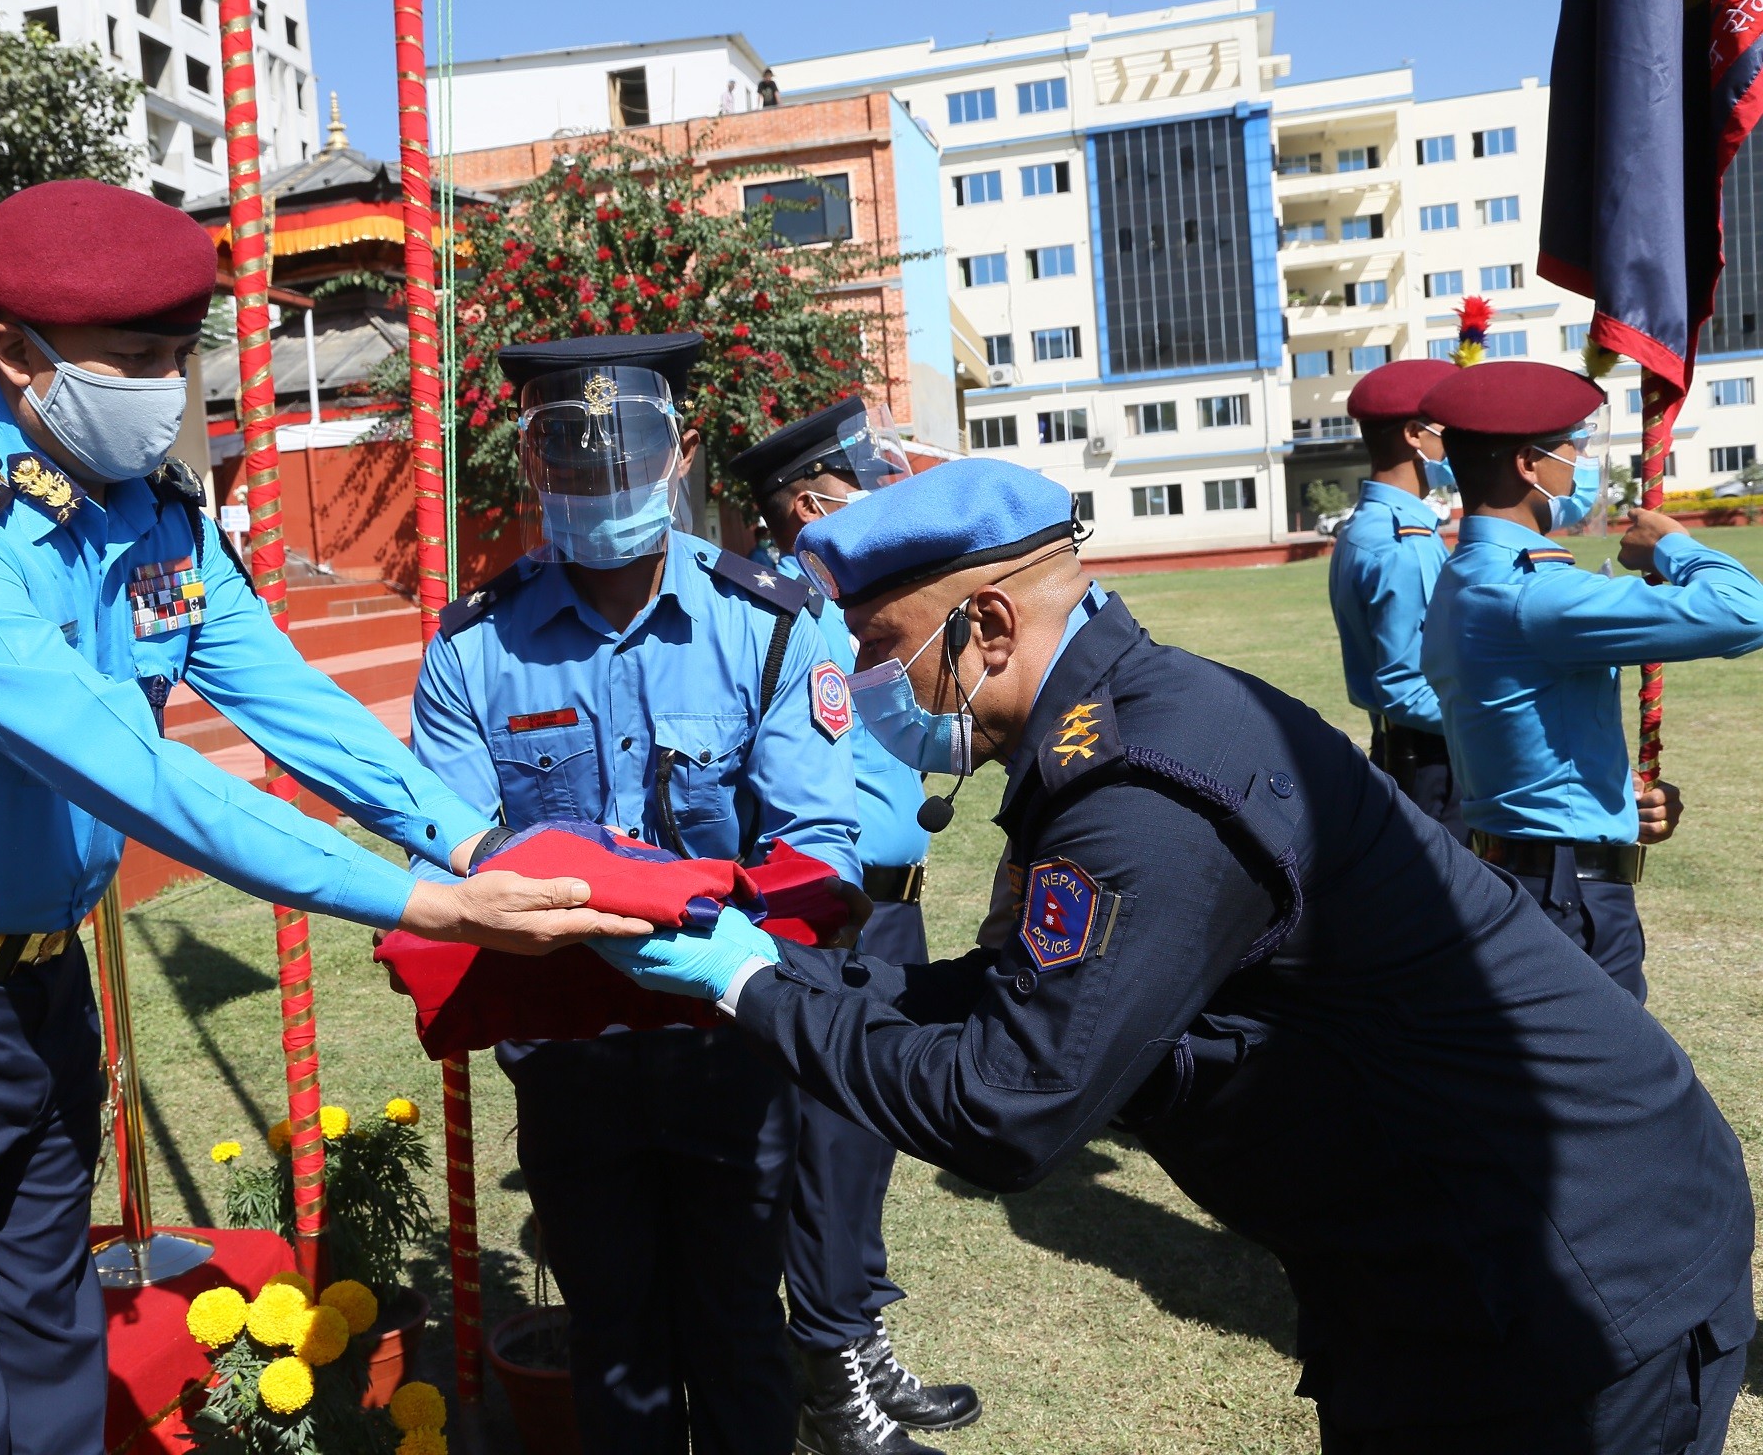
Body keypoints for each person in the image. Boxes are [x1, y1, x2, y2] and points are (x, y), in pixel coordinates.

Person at [591, 455, 1756, 1454]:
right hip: (1442, 1271)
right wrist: (778, 968)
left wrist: (748, 988)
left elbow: (1006, 1103)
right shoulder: (1113, 732)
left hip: (1576, 1286)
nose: (859, 686)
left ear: (986, 627)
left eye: (880, 647)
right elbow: (1024, 999)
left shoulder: (1143, 793)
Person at [0, 179, 647, 1455]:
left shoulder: (149, 512)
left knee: (54, 1351)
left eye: (181, 358)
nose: (169, 392)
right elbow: (135, 772)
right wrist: (429, 906)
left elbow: (283, 697)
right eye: (137, 361)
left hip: (41, 993)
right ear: (16, 353)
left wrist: (468, 840)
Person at [407, 332, 863, 1455]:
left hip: (732, 1043)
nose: (600, 478)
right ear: (533, 464)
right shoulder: (473, 652)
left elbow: (817, 848)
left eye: (629, 449)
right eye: (567, 452)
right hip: (571, 1065)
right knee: (614, 1346)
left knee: (741, 1336)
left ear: (683, 452)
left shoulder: (768, 624)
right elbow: (446, 865)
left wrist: (706, 936)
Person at [730, 398, 980, 1454]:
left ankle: (859, 1342)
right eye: (860, 490)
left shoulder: (864, 605)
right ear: (807, 505)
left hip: (892, 913)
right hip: (818, 922)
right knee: (826, 1143)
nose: (885, 505)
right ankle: (834, 1390)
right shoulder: (776, 611)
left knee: (868, 1142)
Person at [1421, 360, 1763, 1003]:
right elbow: (1746, 613)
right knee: (1618, 1096)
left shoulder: (1465, 573)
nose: (1578, 463)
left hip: (1528, 872)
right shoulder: (1532, 593)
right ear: (1530, 464)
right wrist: (1672, 546)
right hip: (1566, 897)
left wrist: (1612, 801)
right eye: (1571, 447)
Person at [1326, 357, 1465, 836]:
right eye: (1451, 428)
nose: (1462, 441)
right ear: (1414, 434)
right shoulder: (1402, 544)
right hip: (1432, 760)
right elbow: (1407, 688)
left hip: (1408, 751)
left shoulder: (1370, 529)